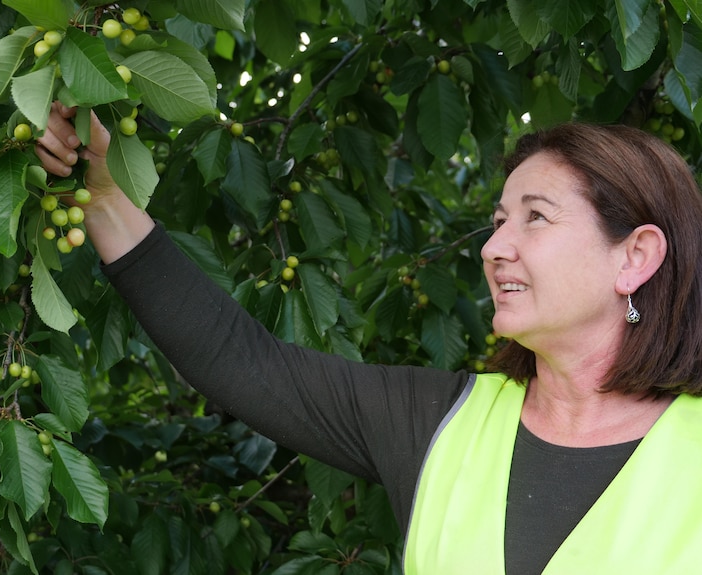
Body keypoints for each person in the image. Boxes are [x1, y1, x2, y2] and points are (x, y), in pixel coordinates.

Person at [36, 102, 702, 574]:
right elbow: (237, 360)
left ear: (635, 256)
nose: (496, 246)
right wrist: (99, 189)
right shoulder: (438, 422)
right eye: (498, 220)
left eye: (535, 218)